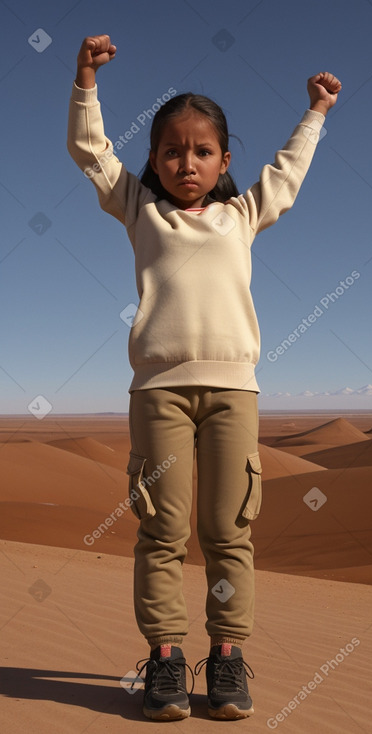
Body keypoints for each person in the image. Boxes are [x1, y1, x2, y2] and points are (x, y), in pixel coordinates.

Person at [68, 34, 341, 722]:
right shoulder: (139, 208)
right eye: (170, 149)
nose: (185, 161)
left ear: (222, 159)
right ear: (154, 158)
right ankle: (163, 662)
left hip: (233, 395)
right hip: (157, 394)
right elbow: (91, 152)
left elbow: (286, 173)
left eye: (201, 150)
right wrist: (86, 83)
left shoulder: (241, 214)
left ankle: (225, 662)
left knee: (228, 531)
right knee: (160, 530)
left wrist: (314, 111)